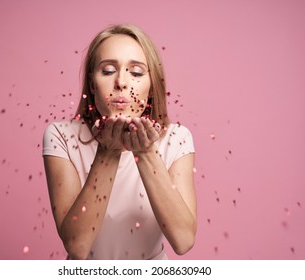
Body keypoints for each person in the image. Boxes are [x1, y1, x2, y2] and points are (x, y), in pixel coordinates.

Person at [42, 24, 197, 260]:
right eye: (107, 71)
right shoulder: (61, 135)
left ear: (152, 86)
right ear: (92, 84)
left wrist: (145, 152)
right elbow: (77, 245)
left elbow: (184, 240)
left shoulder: (177, 138)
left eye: (135, 72)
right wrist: (108, 151)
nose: (121, 82)